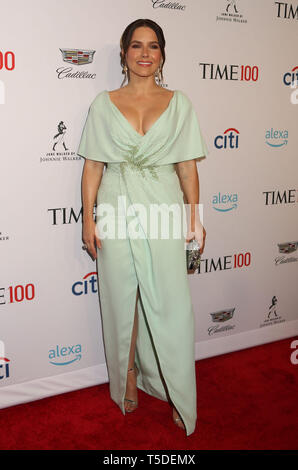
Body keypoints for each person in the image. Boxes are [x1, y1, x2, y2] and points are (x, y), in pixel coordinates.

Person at [77, 18, 208, 436]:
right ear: (123, 52)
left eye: (153, 46)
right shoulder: (103, 103)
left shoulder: (180, 103)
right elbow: (93, 166)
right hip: (114, 208)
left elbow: (187, 168)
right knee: (121, 299)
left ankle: (176, 387)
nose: (145, 54)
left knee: (170, 303)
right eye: (136, 46)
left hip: (164, 209)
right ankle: (128, 376)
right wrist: (87, 217)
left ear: (163, 54)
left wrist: (195, 218)